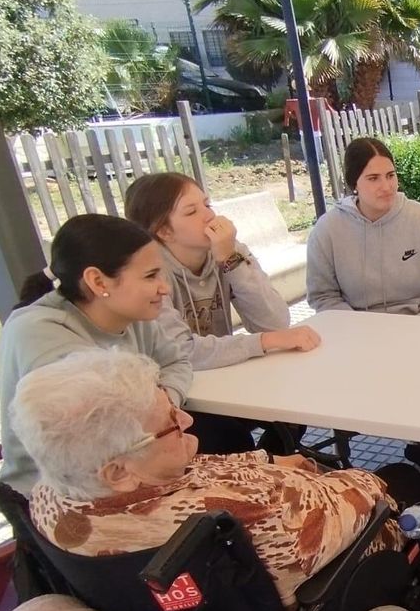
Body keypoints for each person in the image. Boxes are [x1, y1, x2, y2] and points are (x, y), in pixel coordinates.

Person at [12, 348, 420, 609]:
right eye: (171, 423)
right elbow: (346, 509)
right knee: (401, 478)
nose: (187, 418)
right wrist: (370, 484)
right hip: (308, 593)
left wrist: (266, 460)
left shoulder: (49, 500)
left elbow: (190, 476)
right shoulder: (243, 514)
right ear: (118, 471)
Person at [125, 172, 322, 453]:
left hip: (220, 377)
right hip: (173, 396)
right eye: (192, 211)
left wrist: (230, 260)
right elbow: (181, 351)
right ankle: (254, 473)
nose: (209, 216)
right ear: (164, 231)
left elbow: (274, 321)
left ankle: (271, 470)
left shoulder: (227, 250)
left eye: (207, 204)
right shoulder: (151, 273)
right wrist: (265, 342)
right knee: (227, 437)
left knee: (294, 405)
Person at [0, 214, 191, 495]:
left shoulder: (132, 315)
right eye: (151, 276)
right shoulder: (38, 334)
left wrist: (164, 408)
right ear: (98, 282)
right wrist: (161, 416)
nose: (165, 287)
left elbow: (176, 361)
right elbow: (96, 440)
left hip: (129, 466)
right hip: (63, 496)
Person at [306, 136, 420, 317]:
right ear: (354, 183)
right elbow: (322, 296)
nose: (386, 186)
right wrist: (359, 326)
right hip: (359, 330)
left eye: (390, 175)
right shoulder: (327, 230)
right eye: (373, 178)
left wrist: (417, 327)